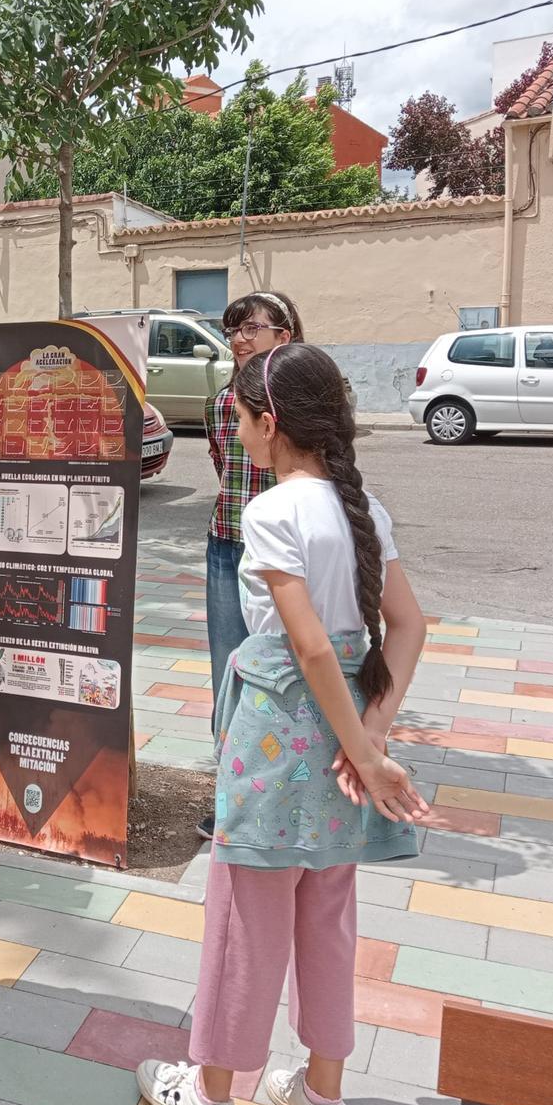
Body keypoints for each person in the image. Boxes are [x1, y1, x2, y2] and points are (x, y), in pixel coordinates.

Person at [137, 343, 429, 1105]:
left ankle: (208, 1094)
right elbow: (407, 626)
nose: (236, 434)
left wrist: (366, 750)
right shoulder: (365, 511)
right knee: (328, 916)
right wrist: (368, 738)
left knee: (245, 924)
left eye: (238, 419)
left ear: (269, 423)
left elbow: (308, 647)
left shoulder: (270, 511)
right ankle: (322, 1092)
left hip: (274, 742)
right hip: (343, 741)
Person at [198, 292, 305, 841]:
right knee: (230, 671)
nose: (238, 339)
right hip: (227, 545)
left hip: (284, 551)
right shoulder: (221, 403)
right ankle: (232, 796)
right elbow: (225, 470)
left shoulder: (302, 400)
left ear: (284, 336)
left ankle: (292, 786)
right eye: (232, 330)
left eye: (250, 328)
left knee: (289, 668)